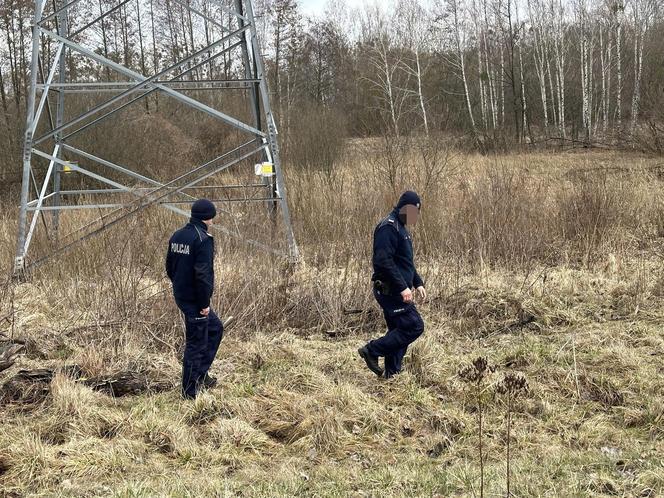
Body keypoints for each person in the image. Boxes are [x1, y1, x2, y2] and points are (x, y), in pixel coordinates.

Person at [358, 191, 426, 378]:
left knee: (399, 330)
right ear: (403, 207)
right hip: (391, 290)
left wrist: (417, 282)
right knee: (414, 326)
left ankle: (392, 374)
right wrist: (403, 287)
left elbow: (404, 262)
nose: (415, 215)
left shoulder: (401, 228)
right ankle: (371, 350)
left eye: (417, 212)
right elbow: (383, 261)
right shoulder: (388, 228)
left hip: (397, 288)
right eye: (413, 210)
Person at [166, 199, 223, 399]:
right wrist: (204, 304)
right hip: (196, 300)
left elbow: (169, 268)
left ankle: (200, 375)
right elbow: (203, 275)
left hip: (182, 295)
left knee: (215, 328)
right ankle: (189, 392)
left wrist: (180, 287)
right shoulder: (203, 239)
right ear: (209, 217)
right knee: (196, 343)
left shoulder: (177, 235)